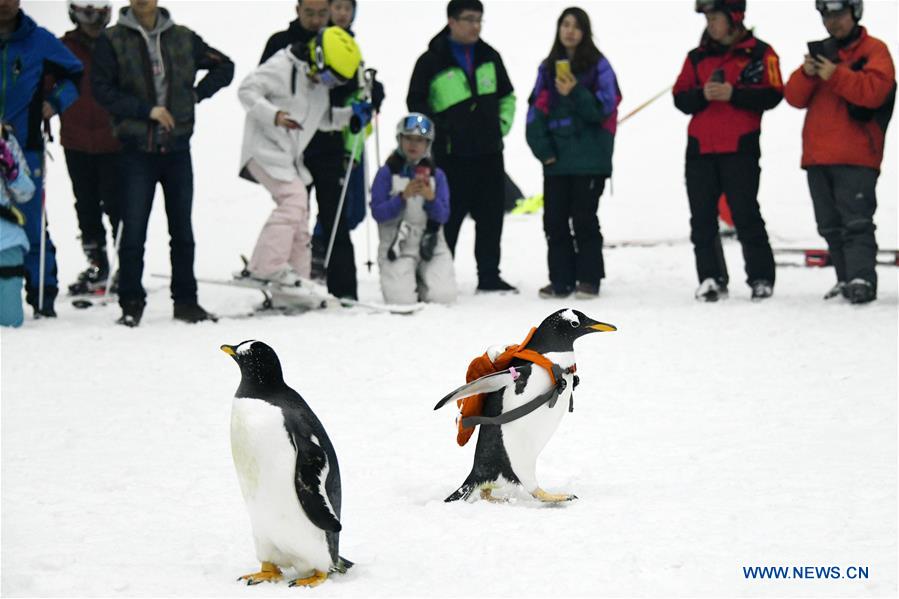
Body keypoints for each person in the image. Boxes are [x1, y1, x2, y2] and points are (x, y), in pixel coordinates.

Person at [92, 0, 234, 327]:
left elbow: (224, 66)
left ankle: (186, 301)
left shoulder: (182, 37)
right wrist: (146, 110)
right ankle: (131, 302)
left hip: (177, 147)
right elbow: (102, 89)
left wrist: (193, 96)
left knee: (182, 229)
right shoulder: (113, 39)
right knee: (133, 230)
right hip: (135, 148)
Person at [238, 26, 368, 288]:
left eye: (337, 82)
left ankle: (298, 278)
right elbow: (246, 90)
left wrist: (351, 116)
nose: (329, 84)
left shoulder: (316, 83)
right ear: (318, 57)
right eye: (331, 77)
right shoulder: (282, 66)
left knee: (300, 214)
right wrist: (273, 114)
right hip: (264, 151)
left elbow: (324, 121)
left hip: (287, 158)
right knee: (294, 201)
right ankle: (265, 267)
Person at [784, 0, 895, 304]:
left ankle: (861, 279)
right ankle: (846, 279)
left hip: (857, 155)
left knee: (856, 222)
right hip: (818, 157)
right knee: (829, 225)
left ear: (855, 14)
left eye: (839, 15)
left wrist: (835, 74)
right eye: (827, 16)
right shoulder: (823, 52)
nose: (833, 22)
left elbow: (876, 92)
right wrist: (807, 73)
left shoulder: (875, 51)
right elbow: (792, 97)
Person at [673, 0, 782, 302]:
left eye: (715, 17)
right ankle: (710, 277)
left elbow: (774, 93)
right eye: (707, 17)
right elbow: (680, 97)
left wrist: (734, 94)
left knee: (745, 213)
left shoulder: (760, 53)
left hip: (740, 146)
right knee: (702, 217)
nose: (710, 22)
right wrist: (701, 95)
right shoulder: (696, 57)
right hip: (700, 147)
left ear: (734, 17)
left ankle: (761, 277)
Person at [407, 0, 517, 294]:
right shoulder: (430, 60)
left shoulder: (490, 56)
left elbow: (507, 96)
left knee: (491, 218)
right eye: (469, 19)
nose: (475, 26)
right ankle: (441, 275)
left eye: (479, 20)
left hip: (489, 152)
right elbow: (415, 104)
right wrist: (440, 132)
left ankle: (489, 276)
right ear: (452, 21)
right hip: (451, 156)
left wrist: (500, 126)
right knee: (448, 218)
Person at [260, 0, 361, 300]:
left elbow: (350, 85)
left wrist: (369, 94)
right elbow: (263, 88)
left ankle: (345, 291)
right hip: (288, 145)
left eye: (322, 13)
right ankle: (288, 286)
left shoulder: (341, 40)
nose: (317, 19)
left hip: (327, 143)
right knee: (294, 215)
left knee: (335, 217)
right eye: (310, 13)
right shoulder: (280, 43)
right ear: (297, 10)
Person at [526, 7, 621, 300]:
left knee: (584, 218)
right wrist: (544, 152)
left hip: (590, 162)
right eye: (565, 24)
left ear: (585, 32)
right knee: (554, 220)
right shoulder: (547, 68)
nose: (570, 31)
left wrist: (576, 91)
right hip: (557, 162)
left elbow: (603, 109)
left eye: (577, 26)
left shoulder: (599, 66)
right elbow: (534, 116)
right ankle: (561, 280)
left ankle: (589, 279)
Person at [0, 0, 83, 318]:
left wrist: (55, 103)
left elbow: (75, 74)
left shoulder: (38, 39)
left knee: (31, 221)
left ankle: (42, 295)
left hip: (25, 147)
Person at [309, 0, 385, 284]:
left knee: (353, 208)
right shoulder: (323, 44)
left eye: (347, 8)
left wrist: (373, 92)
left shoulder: (349, 42)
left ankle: (320, 252)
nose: (343, 13)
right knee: (342, 205)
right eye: (337, 7)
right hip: (335, 135)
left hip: (355, 135)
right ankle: (318, 254)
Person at [58, 0, 122, 297]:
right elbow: (47, 84)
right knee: (85, 204)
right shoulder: (62, 48)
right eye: (86, 14)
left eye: (97, 14)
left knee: (117, 204)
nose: (92, 21)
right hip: (77, 139)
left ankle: (127, 266)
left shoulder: (119, 43)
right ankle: (97, 263)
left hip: (115, 139)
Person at [370, 113, 457, 305]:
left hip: (431, 243)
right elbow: (378, 213)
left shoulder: (437, 175)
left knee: (444, 298)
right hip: (397, 243)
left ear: (428, 144)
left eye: (420, 140)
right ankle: (406, 278)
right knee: (400, 302)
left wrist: (431, 199)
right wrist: (402, 197)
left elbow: (444, 215)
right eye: (408, 138)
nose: (413, 145)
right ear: (399, 139)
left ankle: (423, 278)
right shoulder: (386, 173)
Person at [0, 126, 35, 327]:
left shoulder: (7, 140)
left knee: (10, 322)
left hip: (5, 242)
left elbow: (26, 192)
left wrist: (12, 171)